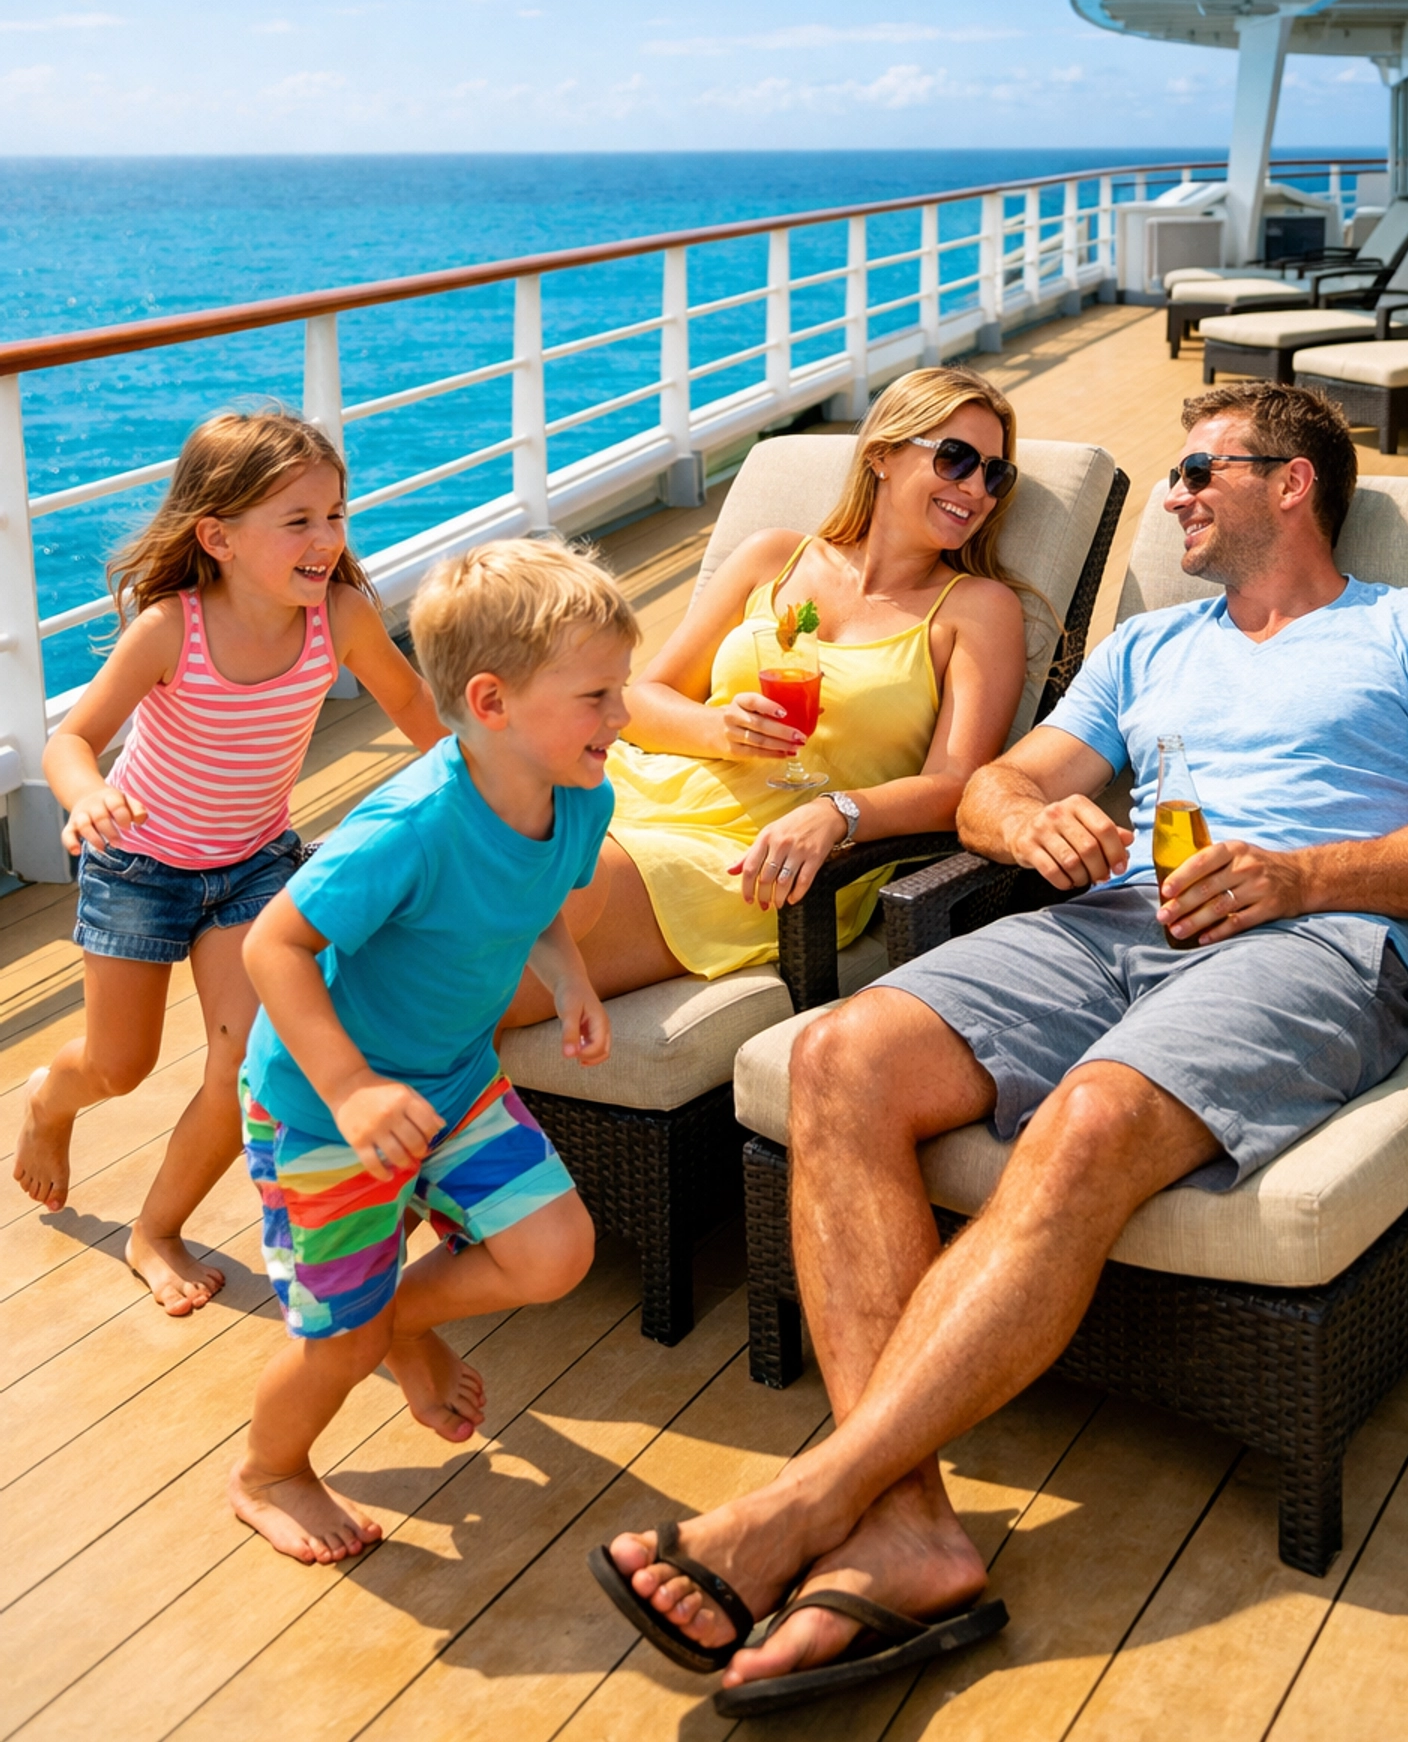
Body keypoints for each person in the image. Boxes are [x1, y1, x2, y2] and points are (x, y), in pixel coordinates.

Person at [589, 380, 1408, 1713]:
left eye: (1204, 473)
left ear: (1292, 485)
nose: (1177, 497)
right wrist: (1023, 822)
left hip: (1313, 943)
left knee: (1093, 1119)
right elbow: (1001, 776)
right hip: (1110, 918)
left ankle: (809, 1501)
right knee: (836, 1058)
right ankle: (907, 1525)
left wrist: (1308, 878)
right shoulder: (1154, 649)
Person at [230, 536, 633, 1564]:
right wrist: (353, 1087)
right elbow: (274, 943)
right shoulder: (407, 828)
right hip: (324, 1109)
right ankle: (269, 1471)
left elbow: (533, 903)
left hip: (453, 1081)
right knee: (340, 1339)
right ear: (492, 705)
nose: (622, 718)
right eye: (596, 696)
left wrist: (570, 975)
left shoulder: (580, 796)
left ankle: (397, 1322)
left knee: (554, 1252)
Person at [14, 409, 444, 1314]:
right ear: (218, 536)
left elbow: (418, 716)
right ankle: (52, 1100)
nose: (327, 539)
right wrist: (87, 792)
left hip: (252, 867)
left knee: (238, 1062)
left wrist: (495, 796)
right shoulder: (173, 629)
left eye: (335, 514)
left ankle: (155, 1229)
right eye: (298, 520)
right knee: (118, 1065)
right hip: (136, 869)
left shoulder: (341, 615)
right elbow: (72, 740)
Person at [504, 366, 1031, 1028]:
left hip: (768, 854)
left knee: (510, 922)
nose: (975, 488)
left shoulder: (979, 610)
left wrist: (840, 811)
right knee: (454, 864)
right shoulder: (774, 558)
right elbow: (643, 700)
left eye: (995, 474)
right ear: (882, 457)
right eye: (955, 459)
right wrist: (717, 729)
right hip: (650, 789)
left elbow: (957, 784)